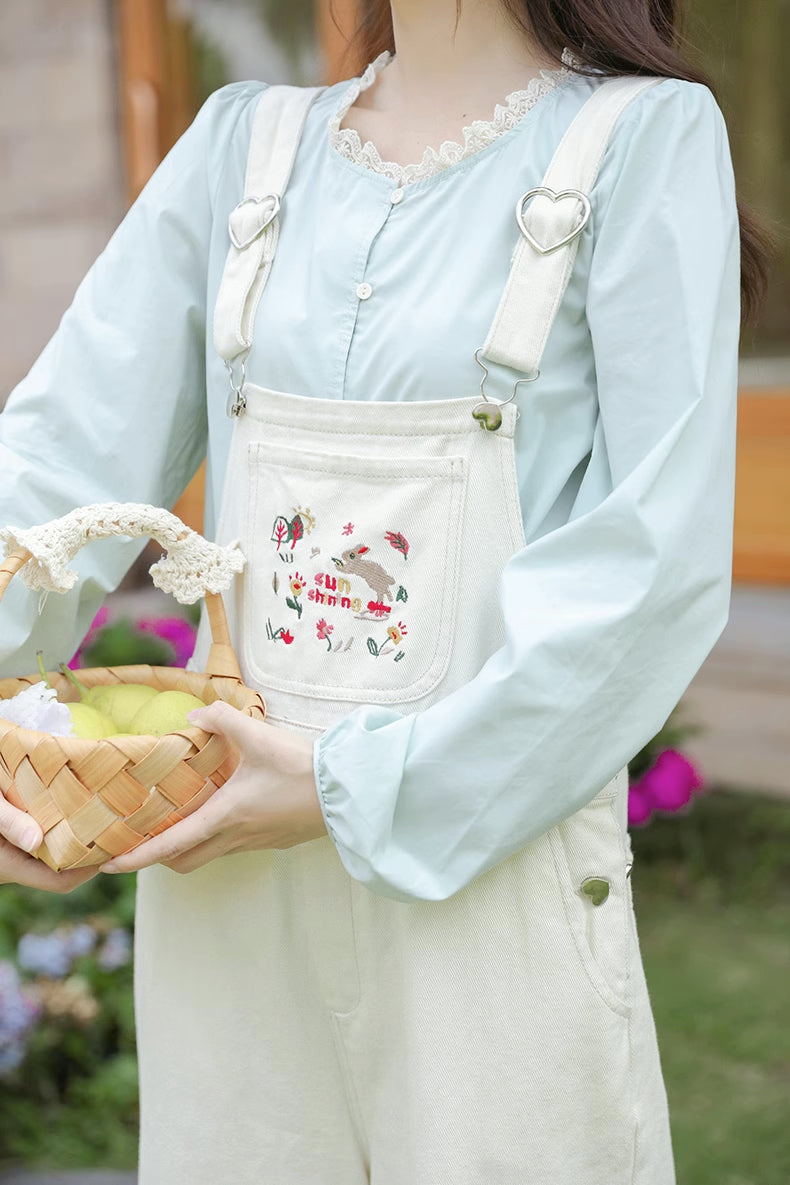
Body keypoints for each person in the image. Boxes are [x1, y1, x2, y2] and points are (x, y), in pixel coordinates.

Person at [0, 0, 769, 1181]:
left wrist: (350, 791)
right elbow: (53, 471)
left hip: (485, 868)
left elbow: (652, 569)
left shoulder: (640, 141)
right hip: (226, 877)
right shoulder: (240, 150)